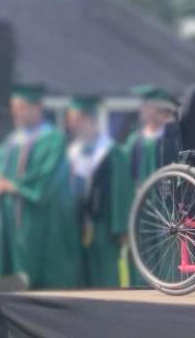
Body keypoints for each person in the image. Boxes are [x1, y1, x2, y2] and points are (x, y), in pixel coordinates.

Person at [0, 83, 82, 288]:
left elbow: (44, 178)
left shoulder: (53, 139)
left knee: (41, 278)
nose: (15, 113)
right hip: (12, 217)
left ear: (37, 108)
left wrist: (10, 186)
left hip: (41, 219)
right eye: (14, 108)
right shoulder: (11, 141)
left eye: (21, 108)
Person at [67, 95, 131, 287]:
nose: (72, 125)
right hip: (77, 225)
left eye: (76, 120)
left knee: (106, 275)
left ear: (90, 120)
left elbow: (121, 192)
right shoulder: (72, 152)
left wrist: (121, 228)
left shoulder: (111, 151)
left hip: (104, 226)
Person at [122, 84, 177, 285]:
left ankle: (170, 287)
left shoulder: (172, 137)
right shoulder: (134, 140)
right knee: (142, 249)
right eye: (143, 106)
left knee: (168, 250)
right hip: (141, 205)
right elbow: (126, 176)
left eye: (148, 106)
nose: (143, 111)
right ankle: (141, 288)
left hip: (166, 203)